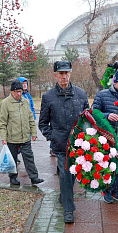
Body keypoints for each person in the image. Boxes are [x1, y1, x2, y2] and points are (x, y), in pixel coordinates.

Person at [39, 61, 89, 223]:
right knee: (66, 175)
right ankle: (69, 210)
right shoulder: (48, 97)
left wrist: (86, 136)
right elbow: (42, 123)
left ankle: (64, 194)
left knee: (74, 173)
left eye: (66, 73)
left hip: (79, 143)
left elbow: (87, 118)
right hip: (60, 145)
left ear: (71, 74)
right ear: (55, 75)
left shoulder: (81, 94)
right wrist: (52, 136)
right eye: (61, 73)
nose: (64, 76)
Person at [92, 67, 118, 204]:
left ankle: (116, 191)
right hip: (106, 140)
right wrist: (107, 115)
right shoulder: (102, 95)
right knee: (108, 166)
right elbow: (93, 113)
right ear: (115, 81)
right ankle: (107, 191)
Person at [0, 79, 44, 186]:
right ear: (12, 92)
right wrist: (3, 138)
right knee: (12, 159)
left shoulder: (25, 101)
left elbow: (30, 119)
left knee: (29, 158)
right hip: (12, 138)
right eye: (17, 92)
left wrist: (34, 132)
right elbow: (2, 123)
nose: (19, 94)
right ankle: (13, 177)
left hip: (25, 137)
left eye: (21, 91)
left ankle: (34, 177)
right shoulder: (6, 103)